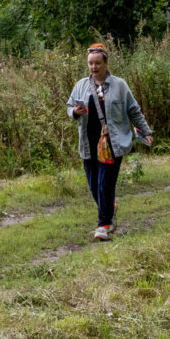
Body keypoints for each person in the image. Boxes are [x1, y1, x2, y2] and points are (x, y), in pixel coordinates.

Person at [67, 42, 152, 240]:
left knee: (105, 184)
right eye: (90, 64)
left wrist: (145, 131)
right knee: (94, 185)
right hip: (88, 144)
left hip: (112, 143)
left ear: (106, 63)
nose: (94, 67)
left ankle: (103, 225)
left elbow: (133, 110)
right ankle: (109, 208)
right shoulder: (80, 85)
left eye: (97, 63)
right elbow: (70, 106)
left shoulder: (120, 85)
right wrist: (75, 112)